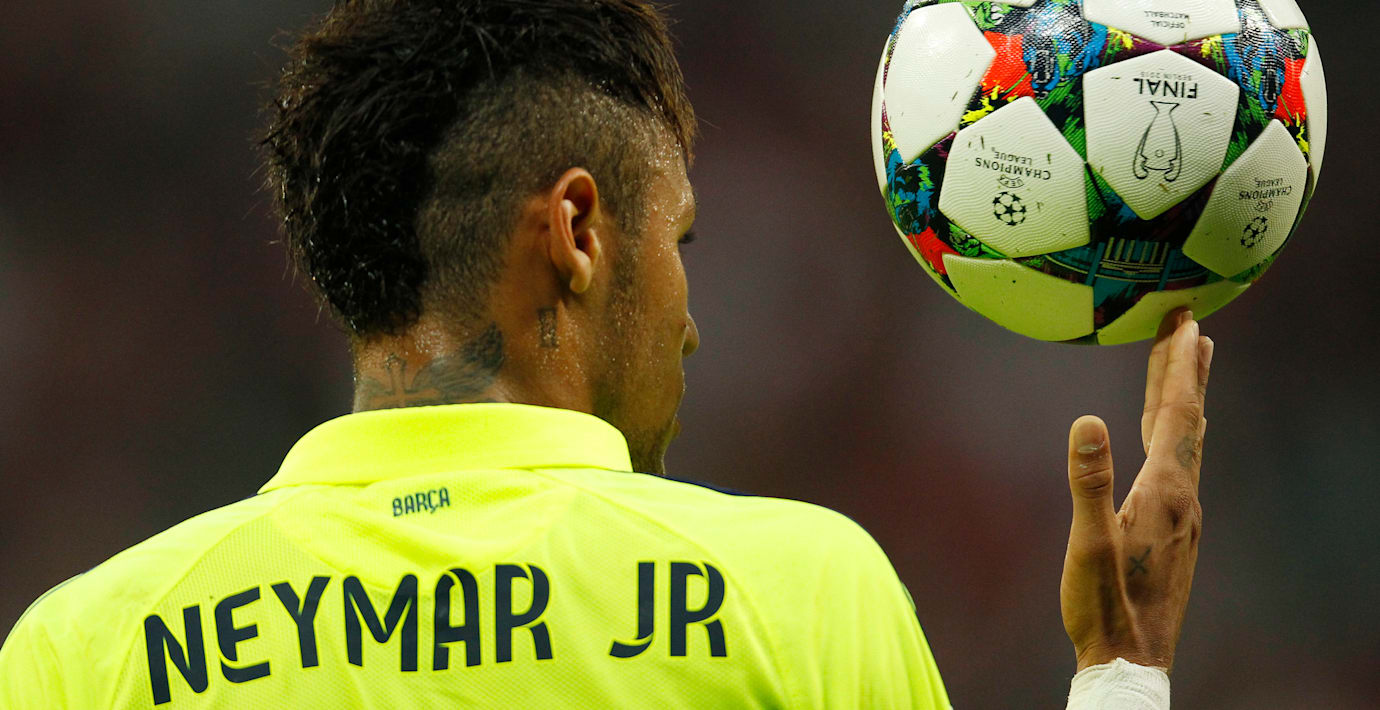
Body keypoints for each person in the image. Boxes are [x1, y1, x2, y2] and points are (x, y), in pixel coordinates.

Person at [0, 1, 1212, 707]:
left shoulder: (85, 650)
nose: (692, 319)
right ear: (579, 231)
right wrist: (1122, 673)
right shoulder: (797, 592)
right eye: (679, 240)